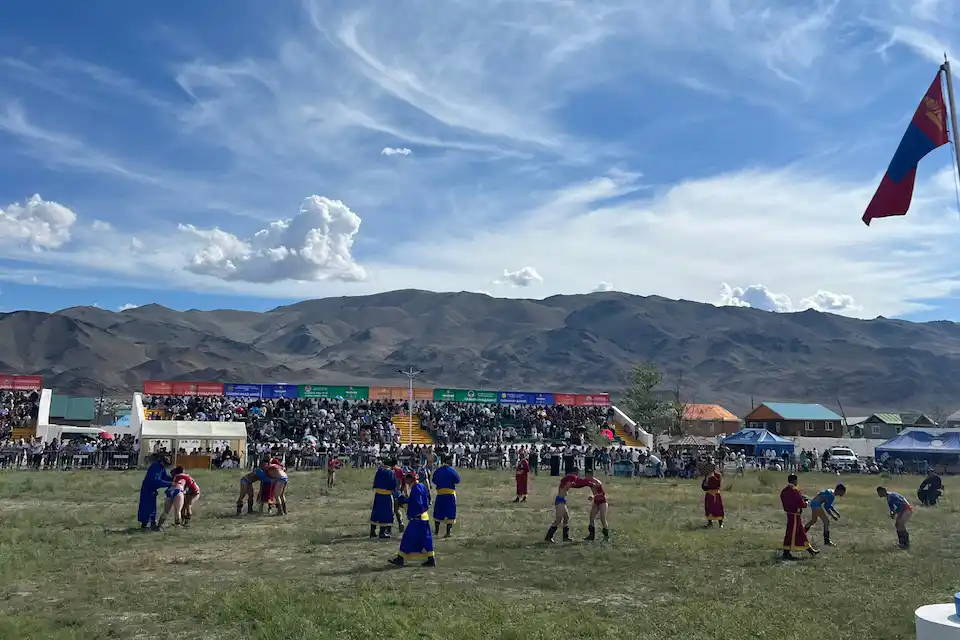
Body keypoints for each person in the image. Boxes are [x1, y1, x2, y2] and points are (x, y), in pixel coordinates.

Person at [388, 471, 436, 568]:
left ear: (412, 479)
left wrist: (405, 502)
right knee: (425, 539)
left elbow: (417, 503)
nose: (406, 480)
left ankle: (400, 559)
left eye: (408, 478)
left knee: (407, 538)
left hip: (417, 518)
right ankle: (431, 559)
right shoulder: (421, 486)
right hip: (423, 517)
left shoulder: (416, 489)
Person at [780, 474, 819, 560]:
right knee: (791, 534)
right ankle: (786, 553)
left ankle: (810, 550)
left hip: (790, 514)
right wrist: (806, 503)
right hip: (794, 515)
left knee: (801, 533)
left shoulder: (784, 490)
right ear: (794, 481)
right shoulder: (794, 490)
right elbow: (801, 504)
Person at [138, 454, 172, 530]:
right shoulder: (155, 467)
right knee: (147, 507)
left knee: (152, 507)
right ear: (162, 462)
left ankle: (150, 523)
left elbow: (165, 476)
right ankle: (146, 524)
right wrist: (169, 483)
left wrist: (173, 478)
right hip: (147, 489)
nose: (166, 467)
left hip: (152, 490)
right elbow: (155, 481)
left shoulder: (161, 467)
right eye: (166, 465)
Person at [545, 474, 581, 543]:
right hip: (560, 501)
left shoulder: (565, 483)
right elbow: (569, 485)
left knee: (566, 518)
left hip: (563, 501)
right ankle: (548, 537)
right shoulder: (566, 484)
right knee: (558, 519)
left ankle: (565, 537)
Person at [432, 456, 461, 538]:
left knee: (438, 512)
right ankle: (448, 532)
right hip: (450, 495)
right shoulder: (452, 470)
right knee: (450, 512)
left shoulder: (438, 471)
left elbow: (434, 481)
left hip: (440, 494)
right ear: (448, 461)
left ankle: (436, 531)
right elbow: (457, 480)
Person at [578, 470, 610, 541]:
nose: (586, 477)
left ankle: (606, 537)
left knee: (603, 519)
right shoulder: (589, 482)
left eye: (587, 476)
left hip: (602, 502)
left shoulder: (597, 483)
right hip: (596, 501)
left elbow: (602, 494)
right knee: (591, 518)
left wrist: (593, 496)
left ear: (591, 475)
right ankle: (591, 536)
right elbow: (581, 483)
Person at [371, 459, 399, 539]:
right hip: (386, 496)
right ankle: (382, 533)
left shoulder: (379, 470)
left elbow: (375, 482)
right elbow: (393, 484)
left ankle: (372, 532)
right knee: (385, 514)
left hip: (378, 494)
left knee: (375, 512)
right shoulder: (390, 472)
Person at [392, 461, 408, 533]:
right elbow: (404, 482)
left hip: (389, 492)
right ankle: (400, 522)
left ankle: (388, 528)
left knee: (389, 510)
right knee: (396, 509)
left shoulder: (388, 470)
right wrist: (405, 492)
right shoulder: (400, 470)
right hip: (397, 492)